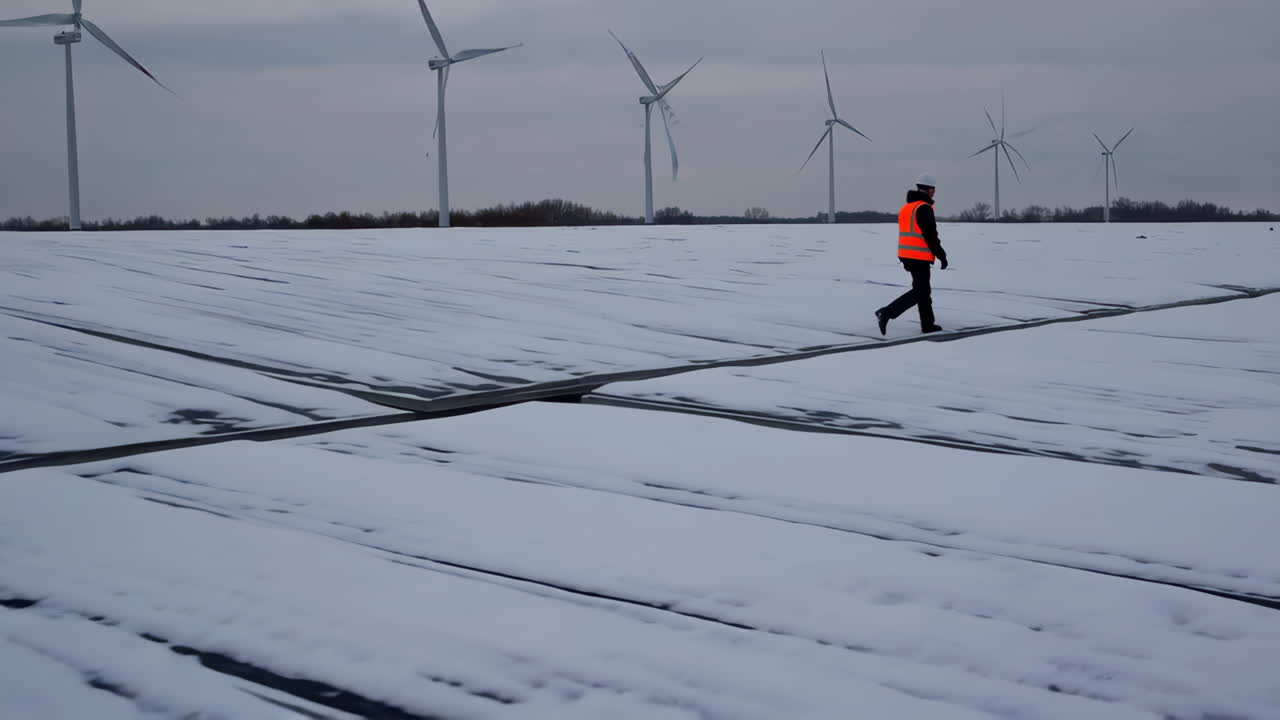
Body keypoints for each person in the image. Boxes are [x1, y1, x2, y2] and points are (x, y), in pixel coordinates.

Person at [876, 173, 948, 335]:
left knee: (922, 290)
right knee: (921, 291)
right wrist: (941, 255)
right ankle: (886, 312)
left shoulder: (907, 208)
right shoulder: (923, 208)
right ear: (929, 190)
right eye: (933, 189)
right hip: (918, 256)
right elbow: (930, 235)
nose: (934, 192)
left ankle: (928, 325)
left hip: (906, 254)